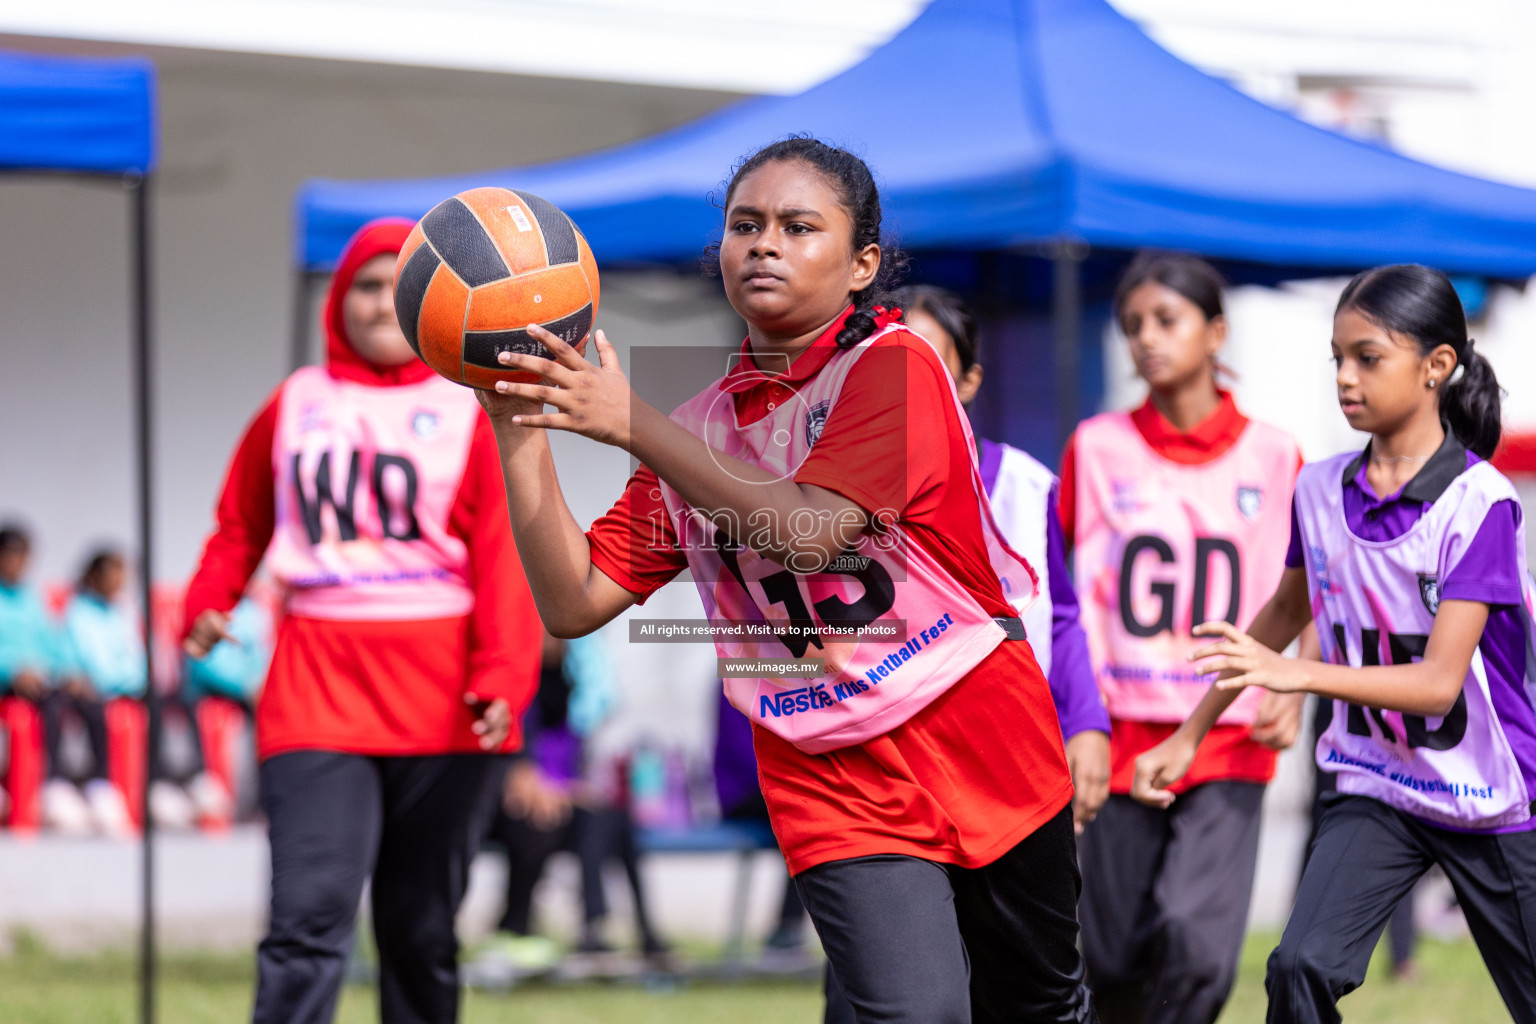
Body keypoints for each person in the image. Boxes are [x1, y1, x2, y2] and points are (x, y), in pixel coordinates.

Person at [476, 136, 1096, 1023]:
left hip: (978, 737)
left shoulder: (897, 366)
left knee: (1036, 1008)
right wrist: (519, 431)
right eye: (745, 225)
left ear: (862, 265)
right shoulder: (693, 432)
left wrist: (631, 423)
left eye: (799, 226)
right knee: (915, 1014)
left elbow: (810, 531)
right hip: (829, 773)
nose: (764, 243)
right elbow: (574, 599)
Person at [1134, 264, 1536, 1023]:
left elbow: (1438, 685)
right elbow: (1283, 612)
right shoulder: (1319, 489)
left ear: (1436, 367)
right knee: (1300, 965)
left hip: (1497, 800)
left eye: (1368, 357)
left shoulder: (1478, 502)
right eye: (1337, 359)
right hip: (1381, 783)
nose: (1345, 378)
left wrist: (1295, 675)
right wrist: (1191, 734)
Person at [180, 218, 541, 1024]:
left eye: (399, 288)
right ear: (338, 299)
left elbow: (502, 555)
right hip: (315, 685)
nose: (382, 304)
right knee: (307, 918)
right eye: (367, 287)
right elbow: (239, 524)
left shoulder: (471, 407)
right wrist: (209, 602)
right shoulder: (297, 402)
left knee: (419, 930)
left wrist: (501, 677)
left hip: (444, 695)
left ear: (431, 303)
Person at [1062, 252, 1305, 1024]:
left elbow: (1310, 589)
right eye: (1132, 325)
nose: (1146, 339)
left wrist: (1297, 682)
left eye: (1167, 320)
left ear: (1216, 332)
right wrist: (1074, 716)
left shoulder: (1275, 454)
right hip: (1119, 729)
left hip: (1228, 731)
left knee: (1197, 946)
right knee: (1109, 952)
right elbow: (1060, 599)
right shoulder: (1095, 448)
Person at [892, 284, 1111, 832]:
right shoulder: (839, 499)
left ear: (969, 381)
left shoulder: (1026, 487)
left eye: (926, 362)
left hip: (1010, 755)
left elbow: (1060, 616)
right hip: (900, 761)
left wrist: (1086, 723)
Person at [485, 632, 669, 969]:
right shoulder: (512, 683)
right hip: (513, 798)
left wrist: (570, 788)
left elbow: (568, 758)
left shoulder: (570, 686)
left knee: (611, 817)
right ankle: (515, 926)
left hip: (557, 793)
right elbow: (514, 765)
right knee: (539, 821)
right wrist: (541, 782)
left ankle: (612, 928)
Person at [52, 547, 142, 835]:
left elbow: (136, 656)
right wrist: (118, 684)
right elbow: (92, 662)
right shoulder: (78, 611)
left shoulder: (125, 609)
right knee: (93, 708)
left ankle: (158, 783)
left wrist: (133, 683)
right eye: (113, 573)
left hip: (124, 686)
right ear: (95, 577)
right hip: (92, 688)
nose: (120, 580)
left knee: (164, 703)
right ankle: (97, 784)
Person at [0, 523, 64, 824]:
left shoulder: (31, 598)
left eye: (23, 557)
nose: (17, 564)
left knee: (58, 704)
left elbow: (50, 645)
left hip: (32, 682)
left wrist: (43, 671)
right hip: (5, 681)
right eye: (11, 556)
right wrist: (12, 672)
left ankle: (49, 784)